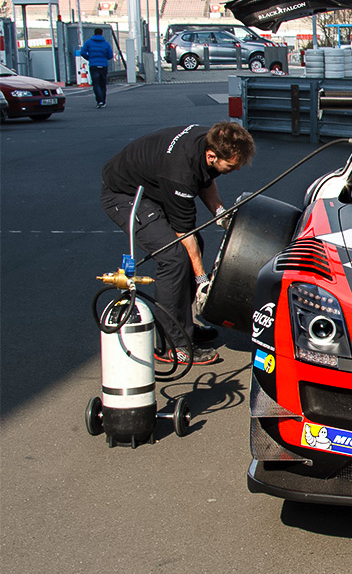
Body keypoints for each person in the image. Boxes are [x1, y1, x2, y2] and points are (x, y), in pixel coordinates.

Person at [100, 122, 256, 364]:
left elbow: (206, 178)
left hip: (153, 185)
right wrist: (202, 280)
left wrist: (220, 213)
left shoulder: (211, 140)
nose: (234, 170)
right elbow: (184, 234)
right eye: (231, 166)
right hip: (125, 196)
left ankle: (184, 327)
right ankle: (175, 345)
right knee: (173, 259)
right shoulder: (180, 174)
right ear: (211, 155)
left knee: (196, 248)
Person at [79, 28, 114, 109]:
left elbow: (82, 52)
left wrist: (89, 58)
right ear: (102, 33)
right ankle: (103, 101)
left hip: (94, 65)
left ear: (94, 33)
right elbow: (110, 55)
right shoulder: (106, 43)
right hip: (103, 65)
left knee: (96, 84)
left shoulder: (88, 42)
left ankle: (99, 100)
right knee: (103, 84)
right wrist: (105, 59)